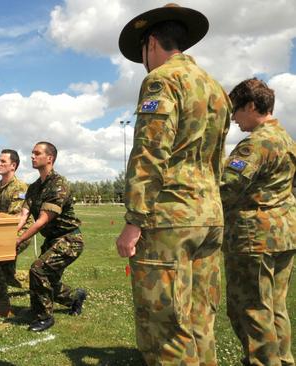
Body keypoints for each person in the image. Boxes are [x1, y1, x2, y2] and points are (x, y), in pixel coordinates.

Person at [115, 4, 231, 364]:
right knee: (200, 321)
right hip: (209, 216)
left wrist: (134, 221)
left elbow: (150, 152)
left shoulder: (162, 79)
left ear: (151, 43)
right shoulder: (215, 88)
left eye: (142, 54)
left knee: (165, 329)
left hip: (170, 221)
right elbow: (218, 160)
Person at [220, 78, 296, 366]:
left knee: (249, 309)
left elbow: (226, 187)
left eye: (236, 110)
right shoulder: (287, 139)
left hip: (255, 238)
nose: (234, 119)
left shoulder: (256, 144)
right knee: (275, 308)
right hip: (284, 235)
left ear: (252, 105)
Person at [16, 142, 86, 332]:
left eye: (37, 153)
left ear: (50, 158)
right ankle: (75, 297)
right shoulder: (34, 187)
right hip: (52, 240)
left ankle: (44, 317)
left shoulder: (59, 185)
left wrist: (19, 240)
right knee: (50, 282)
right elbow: (23, 215)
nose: (32, 156)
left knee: (38, 270)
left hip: (69, 239)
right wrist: (10, 232)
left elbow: (42, 221)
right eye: (32, 153)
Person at [0, 149, 33, 311]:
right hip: (0, 233)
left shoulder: (20, 187)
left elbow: (16, 218)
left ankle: (0, 302)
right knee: (9, 274)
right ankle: (39, 279)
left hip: (18, 233)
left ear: (13, 165)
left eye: (3, 161)